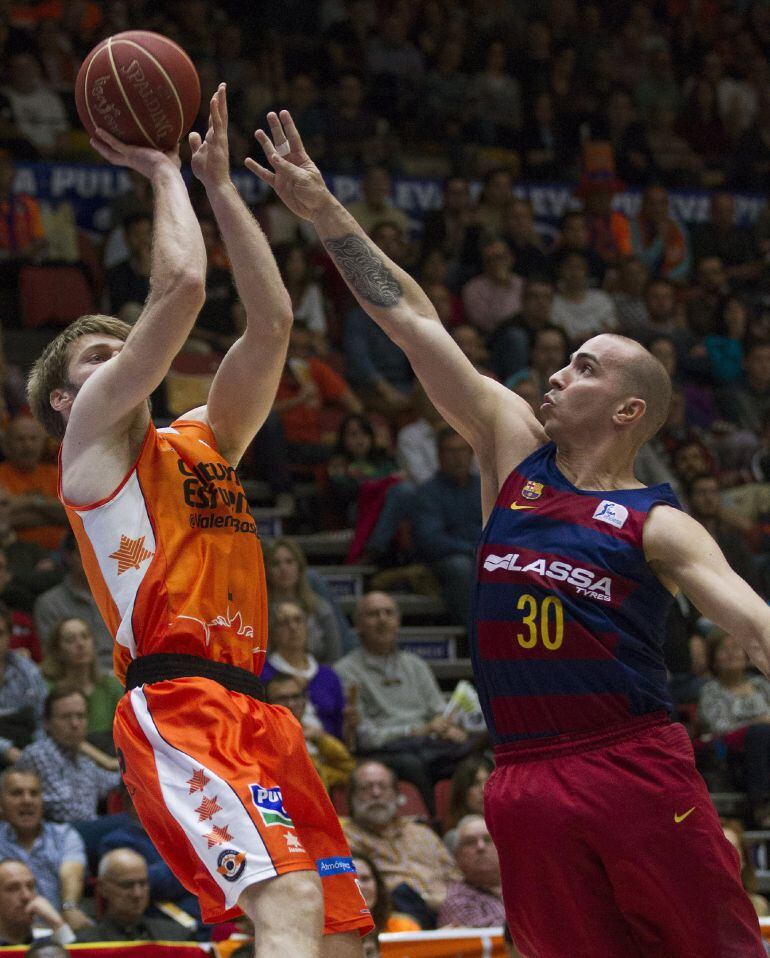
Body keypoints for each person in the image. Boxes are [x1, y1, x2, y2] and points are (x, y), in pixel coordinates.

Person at [248, 108, 770, 955]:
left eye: (587, 368)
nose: (560, 374)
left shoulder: (658, 522)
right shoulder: (511, 450)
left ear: (629, 410)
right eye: (566, 361)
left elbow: (752, 628)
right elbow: (413, 322)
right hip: (522, 774)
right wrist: (323, 212)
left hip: (632, 762)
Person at [26, 88, 371, 958]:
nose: (121, 363)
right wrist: (160, 169)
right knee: (288, 899)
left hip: (259, 709)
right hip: (178, 702)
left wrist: (220, 184)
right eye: (101, 357)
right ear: (70, 400)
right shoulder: (91, 450)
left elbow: (272, 323)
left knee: (336, 933)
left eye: (123, 349)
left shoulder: (201, 441)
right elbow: (180, 286)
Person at [334, 592, 468, 808]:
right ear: (357, 625)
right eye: (373, 614)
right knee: (411, 763)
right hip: (386, 749)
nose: (382, 620)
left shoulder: (416, 665)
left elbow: (438, 712)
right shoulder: (345, 671)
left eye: (388, 613)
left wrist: (448, 728)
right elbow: (366, 737)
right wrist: (418, 729)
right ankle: (432, 822)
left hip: (427, 743)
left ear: (398, 622)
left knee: (471, 751)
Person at [341, 762, 461, 928]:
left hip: (450, 913)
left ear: (397, 795)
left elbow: (455, 877)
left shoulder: (422, 833)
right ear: (351, 798)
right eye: (366, 788)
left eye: (383, 787)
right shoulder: (343, 838)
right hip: (396, 920)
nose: (376, 794)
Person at [15, 686, 120, 822]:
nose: (75, 724)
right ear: (47, 723)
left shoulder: (83, 760)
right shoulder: (39, 754)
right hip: (58, 835)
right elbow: (65, 813)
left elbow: (114, 781)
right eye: (66, 717)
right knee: (130, 824)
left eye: (80, 716)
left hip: (85, 833)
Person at [411, 429, 482, 626]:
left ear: (472, 453)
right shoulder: (428, 493)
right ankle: (476, 635)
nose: (457, 457)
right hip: (447, 558)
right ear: (439, 456)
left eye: (462, 451)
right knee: (461, 568)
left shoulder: (485, 487)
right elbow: (430, 540)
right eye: (450, 452)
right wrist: (471, 550)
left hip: (484, 554)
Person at [699, 630, 770, 826]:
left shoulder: (762, 685)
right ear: (713, 660)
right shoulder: (710, 691)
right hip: (731, 758)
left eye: (736, 648)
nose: (732, 654)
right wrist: (760, 722)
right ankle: (762, 805)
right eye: (724, 649)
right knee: (760, 734)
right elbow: (720, 727)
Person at [0, 769, 88, 927]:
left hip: (60, 925)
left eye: (34, 793)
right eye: (16, 793)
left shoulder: (64, 835)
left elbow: (72, 873)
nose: (27, 800)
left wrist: (69, 907)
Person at [261, 601, 348, 740]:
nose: (293, 627)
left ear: (308, 627)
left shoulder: (328, 676)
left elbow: (341, 730)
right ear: (272, 632)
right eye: (284, 622)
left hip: (329, 754)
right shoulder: (262, 674)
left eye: (298, 620)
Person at [74, 849, 193, 943]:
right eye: (126, 885)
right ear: (102, 888)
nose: (138, 893)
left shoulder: (177, 937)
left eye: (143, 883)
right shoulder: (86, 945)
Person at [33, 534, 113, 674]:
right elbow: (53, 657)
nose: (93, 558)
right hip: (77, 681)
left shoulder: (120, 596)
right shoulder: (49, 604)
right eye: (85, 552)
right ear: (69, 557)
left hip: (127, 676)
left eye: (97, 552)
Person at [265, 673, 355, 791]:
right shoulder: (262, 740)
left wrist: (321, 740)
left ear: (305, 701)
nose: (291, 704)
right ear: (266, 703)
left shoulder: (314, 739)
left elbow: (348, 769)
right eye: (282, 698)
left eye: (296, 697)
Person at [40, 616, 123, 743]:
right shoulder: (47, 688)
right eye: (70, 640)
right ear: (58, 650)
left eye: (85, 636)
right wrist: (107, 762)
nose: (80, 644)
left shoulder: (111, 685)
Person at [264, 538, 343, 664]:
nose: (283, 568)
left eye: (289, 562)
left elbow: (335, 656)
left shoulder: (320, 608)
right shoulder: (259, 613)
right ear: (267, 572)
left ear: (300, 568)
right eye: (275, 564)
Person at [0, 415, 66, 553]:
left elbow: (72, 515)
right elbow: (5, 519)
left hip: (61, 555)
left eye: (33, 439)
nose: (27, 445)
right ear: (6, 445)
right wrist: (53, 514)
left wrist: (31, 502)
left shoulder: (56, 474)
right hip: (15, 556)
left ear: (42, 443)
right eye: (20, 439)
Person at [0, 600, 47, 765]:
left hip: (28, 752)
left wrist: (36, 753)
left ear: (9, 636)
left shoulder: (28, 671)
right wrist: (5, 749)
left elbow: (44, 719)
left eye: (0, 633)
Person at [438, 815, 505, 928]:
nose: (480, 846)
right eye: (470, 842)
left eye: (488, 840)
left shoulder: (524, 888)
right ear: (457, 856)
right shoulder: (458, 901)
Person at [0, 859, 73, 946]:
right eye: (13, 888)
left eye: (30, 886)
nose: (26, 896)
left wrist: (57, 924)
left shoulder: (48, 941)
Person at [350, 851, 419, 935]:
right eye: (351, 881)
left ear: (378, 885)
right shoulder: (332, 938)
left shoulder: (404, 927)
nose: (360, 886)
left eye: (365, 879)